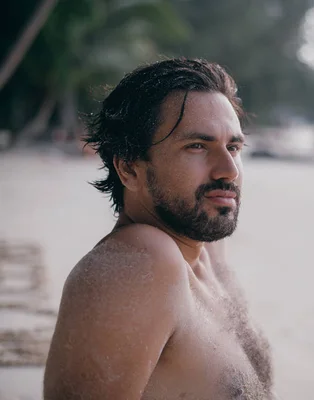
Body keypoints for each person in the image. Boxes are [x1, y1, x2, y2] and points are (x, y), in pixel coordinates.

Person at [44, 58, 275, 399]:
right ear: (129, 169)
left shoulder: (206, 248)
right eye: (197, 146)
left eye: (234, 147)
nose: (228, 170)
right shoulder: (140, 262)